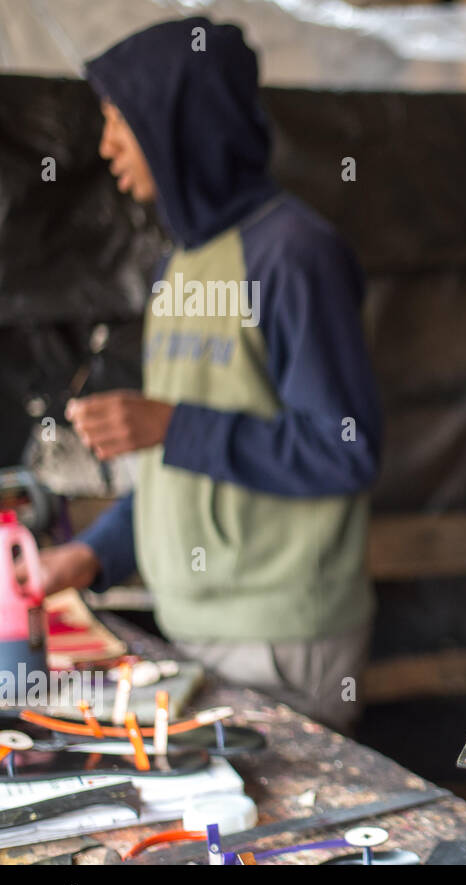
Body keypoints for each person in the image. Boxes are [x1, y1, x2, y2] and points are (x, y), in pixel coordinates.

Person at [34, 17, 381, 733]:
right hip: (193, 625)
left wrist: (170, 422)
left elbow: (345, 448)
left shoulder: (294, 255)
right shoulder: (180, 267)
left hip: (279, 635)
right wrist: (91, 554)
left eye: (117, 122)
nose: (105, 146)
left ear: (173, 126)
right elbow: (175, 467)